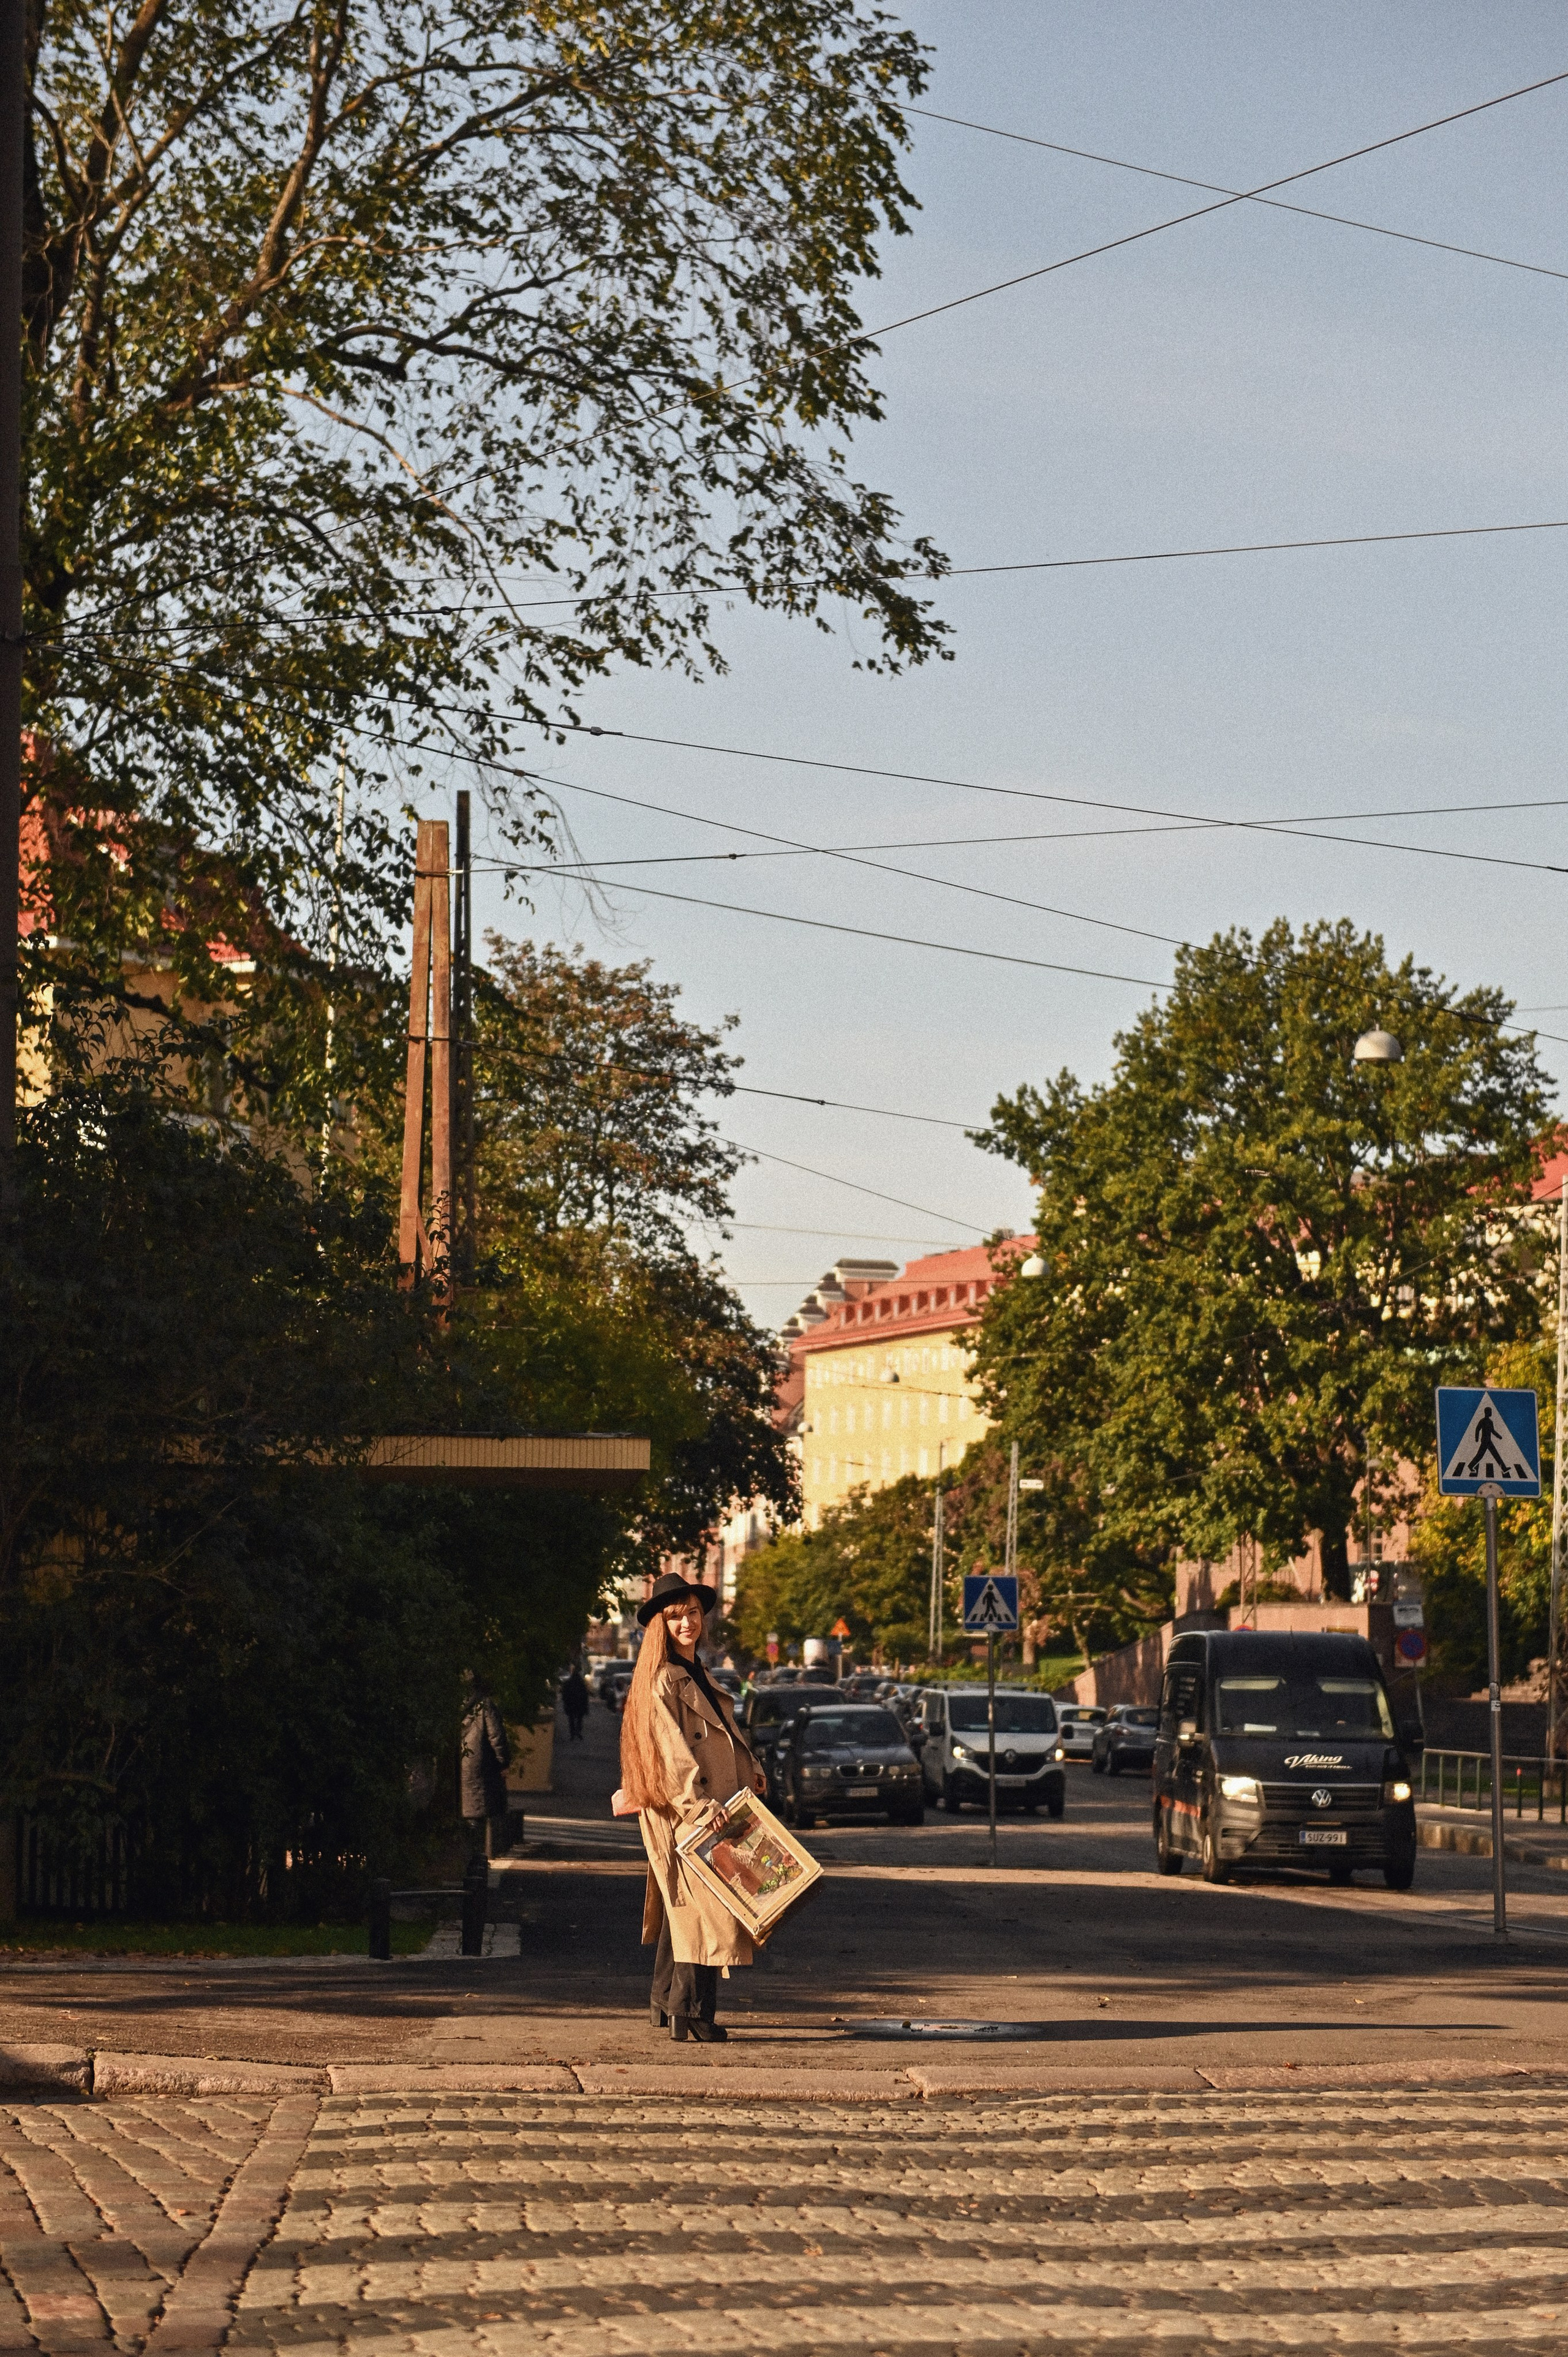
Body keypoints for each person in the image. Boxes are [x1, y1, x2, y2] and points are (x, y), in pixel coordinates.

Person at [614, 1572, 767, 2043]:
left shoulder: (696, 1671)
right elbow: (670, 1750)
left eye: (694, 1613)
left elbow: (722, 1733)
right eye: (676, 1616)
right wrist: (699, 1806)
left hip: (713, 1806)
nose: (688, 1623)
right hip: (692, 1812)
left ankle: (666, 2004)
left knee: (684, 1908)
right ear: (661, 1623)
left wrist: (752, 1767)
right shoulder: (662, 1679)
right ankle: (693, 2016)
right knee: (706, 1914)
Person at [459, 1674, 513, 1861]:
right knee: (477, 1819)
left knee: (464, 1816)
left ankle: (466, 1862)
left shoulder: (450, 1704)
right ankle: (476, 1864)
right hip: (479, 1766)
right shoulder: (484, 1705)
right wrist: (503, 1762)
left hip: (460, 1766)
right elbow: (496, 1736)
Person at [561, 1665, 589, 1741]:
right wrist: (586, 1706)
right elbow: (585, 1695)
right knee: (579, 1719)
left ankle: (572, 1733)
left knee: (571, 1720)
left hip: (571, 1705)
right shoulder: (581, 1684)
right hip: (580, 1705)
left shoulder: (568, 1683)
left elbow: (564, 1694)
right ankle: (578, 1732)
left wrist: (566, 1703)